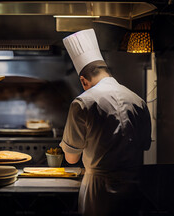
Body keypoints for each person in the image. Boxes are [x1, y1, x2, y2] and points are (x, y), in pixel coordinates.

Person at [59, 28, 152, 216]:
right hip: (134, 188)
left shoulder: (82, 103)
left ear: (83, 81)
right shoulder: (138, 100)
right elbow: (144, 146)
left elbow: (71, 158)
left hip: (99, 190)